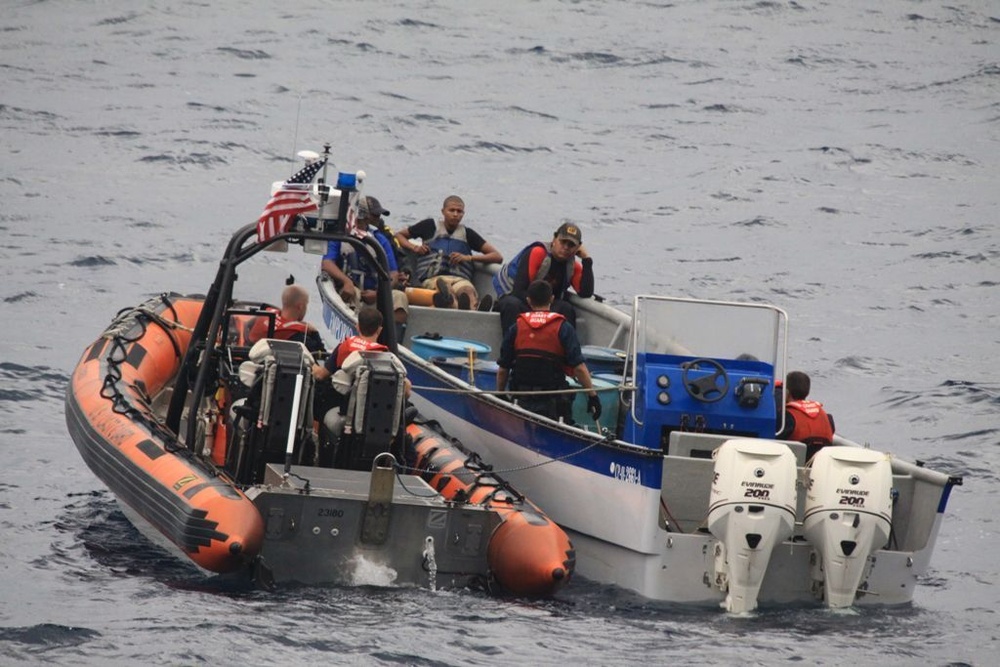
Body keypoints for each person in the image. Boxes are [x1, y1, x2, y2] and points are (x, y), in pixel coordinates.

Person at [496, 280, 602, 424]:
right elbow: (579, 368)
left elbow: (503, 368)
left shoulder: (516, 327)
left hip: (520, 399)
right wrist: (592, 396)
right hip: (552, 403)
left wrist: (500, 395)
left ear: (528, 300)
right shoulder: (564, 327)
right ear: (552, 299)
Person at [312, 307, 411, 436]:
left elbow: (321, 375)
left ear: (357, 326)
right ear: (379, 329)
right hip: (374, 415)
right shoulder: (385, 356)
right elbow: (406, 388)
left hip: (343, 408)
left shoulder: (344, 347)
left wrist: (311, 364)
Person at [394, 195, 502, 310]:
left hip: (459, 279)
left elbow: (497, 256)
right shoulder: (429, 226)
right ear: (443, 211)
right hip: (434, 279)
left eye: (459, 211)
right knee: (446, 291)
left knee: (467, 291)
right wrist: (414, 248)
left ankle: (474, 309)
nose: (455, 214)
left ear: (463, 214)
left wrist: (468, 258)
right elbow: (399, 236)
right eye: (452, 210)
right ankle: (461, 308)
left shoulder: (468, 234)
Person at [320, 195, 409, 335]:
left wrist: (379, 293)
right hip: (353, 290)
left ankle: (391, 340)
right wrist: (346, 282)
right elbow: (327, 263)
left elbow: (393, 273)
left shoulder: (379, 239)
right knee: (351, 294)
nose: (378, 218)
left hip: (375, 293)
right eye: (374, 215)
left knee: (399, 297)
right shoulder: (341, 236)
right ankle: (355, 335)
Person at [495, 221, 594, 335]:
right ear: (554, 239)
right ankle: (512, 349)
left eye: (571, 245)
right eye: (563, 242)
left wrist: (586, 259)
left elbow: (585, 292)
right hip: (521, 299)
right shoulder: (537, 253)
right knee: (511, 305)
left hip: (545, 305)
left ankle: (563, 350)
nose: (566, 247)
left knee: (566, 308)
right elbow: (519, 290)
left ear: (578, 247)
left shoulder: (572, 266)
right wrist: (540, 309)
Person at [247, 284, 324, 353]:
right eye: (306, 304)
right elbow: (321, 354)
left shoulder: (263, 315)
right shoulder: (298, 337)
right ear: (300, 306)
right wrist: (315, 333)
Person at [777, 370, 835, 459]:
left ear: (787, 392)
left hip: (793, 466)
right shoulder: (827, 417)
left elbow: (773, 441)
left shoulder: (786, 418)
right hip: (820, 465)